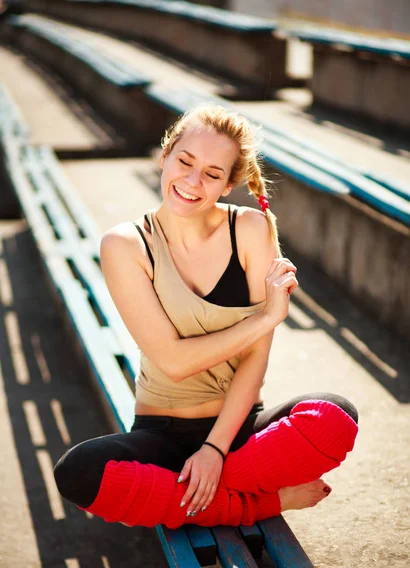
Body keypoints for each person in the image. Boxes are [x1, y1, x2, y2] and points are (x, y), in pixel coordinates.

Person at [54, 104, 359, 528]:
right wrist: (266, 318)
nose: (193, 181)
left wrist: (215, 451)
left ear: (229, 183)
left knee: (335, 415)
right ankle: (256, 503)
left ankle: (177, 493)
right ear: (165, 156)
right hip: (162, 432)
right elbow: (175, 363)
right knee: (77, 472)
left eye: (213, 173)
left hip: (239, 430)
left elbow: (254, 359)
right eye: (185, 161)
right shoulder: (126, 244)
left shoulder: (251, 230)